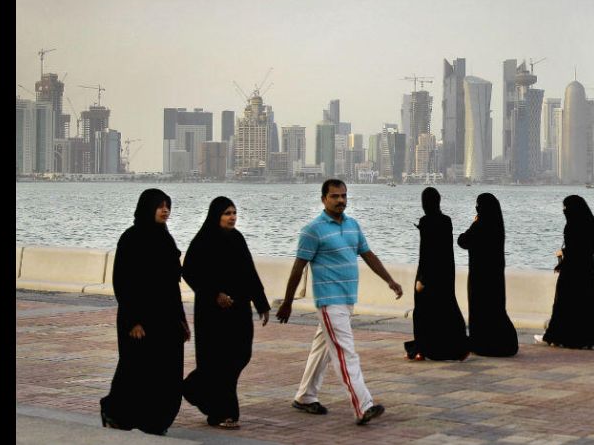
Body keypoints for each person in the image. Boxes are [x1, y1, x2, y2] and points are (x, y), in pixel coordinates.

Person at [276, 179, 403, 426]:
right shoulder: (313, 230)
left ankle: (305, 396)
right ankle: (363, 406)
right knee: (346, 353)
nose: (340, 200)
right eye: (334, 196)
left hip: (347, 299)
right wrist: (288, 302)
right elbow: (298, 267)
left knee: (322, 348)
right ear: (323, 199)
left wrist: (390, 280)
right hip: (329, 301)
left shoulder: (353, 225)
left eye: (343, 196)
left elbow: (368, 255)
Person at [100, 188, 190, 436]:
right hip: (139, 319)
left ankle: (156, 421)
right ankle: (114, 411)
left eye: (167, 206)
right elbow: (123, 282)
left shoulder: (166, 239)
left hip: (166, 318)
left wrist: (181, 320)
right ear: (147, 208)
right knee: (135, 370)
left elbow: (172, 285)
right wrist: (133, 321)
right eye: (160, 206)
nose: (165, 210)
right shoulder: (131, 238)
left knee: (167, 372)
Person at [181, 196, 271, 430]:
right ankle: (223, 412)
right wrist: (214, 294)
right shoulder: (203, 240)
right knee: (217, 361)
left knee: (240, 355)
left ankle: (192, 388)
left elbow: (249, 272)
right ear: (216, 216)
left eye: (234, 213)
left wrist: (261, 303)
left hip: (238, 310)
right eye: (227, 213)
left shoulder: (237, 238)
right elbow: (189, 271)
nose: (232, 217)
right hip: (213, 313)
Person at [535, 195, 594, 350]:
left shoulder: (572, 226)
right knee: (587, 305)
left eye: (566, 207)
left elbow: (575, 250)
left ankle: (554, 336)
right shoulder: (591, 224)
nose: (564, 210)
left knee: (563, 305)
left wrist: (562, 255)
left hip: (572, 271)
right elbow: (587, 248)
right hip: (587, 271)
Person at [404, 187, 470, 361]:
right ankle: (460, 347)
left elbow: (427, 252)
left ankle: (422, 348)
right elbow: (444, 251)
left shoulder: (426, 221)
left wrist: (422, 279)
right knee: (447, 310)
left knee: (423, 312)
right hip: (445, 274)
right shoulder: (446, 221)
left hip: (428, 274)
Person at [457, 193, 518, 357]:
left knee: (480, 310)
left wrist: (474, 223)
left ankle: (481, 342)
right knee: (494, 309)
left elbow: (463, 241)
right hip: (495, 276)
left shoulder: (480, 225)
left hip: (479, 276)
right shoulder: (497, 225)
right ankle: (500, 342)